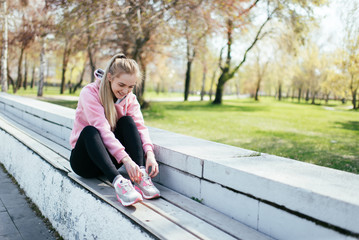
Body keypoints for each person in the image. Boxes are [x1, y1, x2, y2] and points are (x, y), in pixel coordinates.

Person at [69, 53, 160, 206]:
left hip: (111, 159)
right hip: (85, 162)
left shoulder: (130, 98)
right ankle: (119, 183)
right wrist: (126, 159)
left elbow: (140, 128)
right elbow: (102, 130)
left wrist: (149, 154)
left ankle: (141, 176)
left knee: (127, 121)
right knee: (90, 131)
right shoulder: (90, 93)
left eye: (131, 86)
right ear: (110, 77)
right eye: (122, 85)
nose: (126, 91)